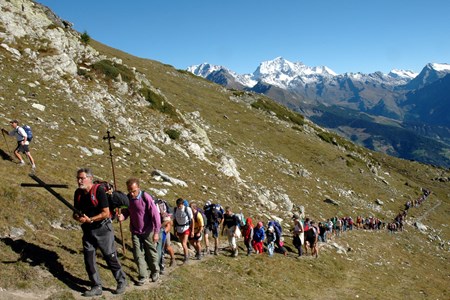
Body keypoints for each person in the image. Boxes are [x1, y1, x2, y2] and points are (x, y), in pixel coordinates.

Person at [73, 168, 127, 297]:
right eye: (78, 178)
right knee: (89, 259)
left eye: (82, 178)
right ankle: (96, 286)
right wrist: (78, 218)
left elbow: (105, 213)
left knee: (110, 256)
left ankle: (121, 281)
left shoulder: (99, 191)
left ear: (90, 178)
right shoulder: (78, 193)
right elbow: (75, 212)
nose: (79, 181)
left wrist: (90, 219)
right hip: (87, 230)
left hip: (103, 229)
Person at [118, 178, 161, 286]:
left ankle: (155, 271)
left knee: (151, 252)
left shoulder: (145, 197)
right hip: (135, 231)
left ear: (138, 188)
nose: (132, 193)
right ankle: (144, 276)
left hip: (148, 230)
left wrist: (156, 232)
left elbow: (155, 215)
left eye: (134, 191)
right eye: (130, 191)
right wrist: (122, 217)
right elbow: (126, 212)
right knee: (137, 254)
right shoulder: (128, 199)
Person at [173, 198, 194, 263]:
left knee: (184, 243)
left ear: (182, 204)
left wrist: (192, 231)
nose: (179, 206)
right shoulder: (175, 209)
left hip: (186, 228)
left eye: (180, 205)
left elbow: (192, 220)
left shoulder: (187, 209)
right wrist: (175, 230)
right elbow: (174, 220)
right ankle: (186, 254)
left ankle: (186, 257)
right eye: (178, 205)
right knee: (182, 243)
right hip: (179, 228)